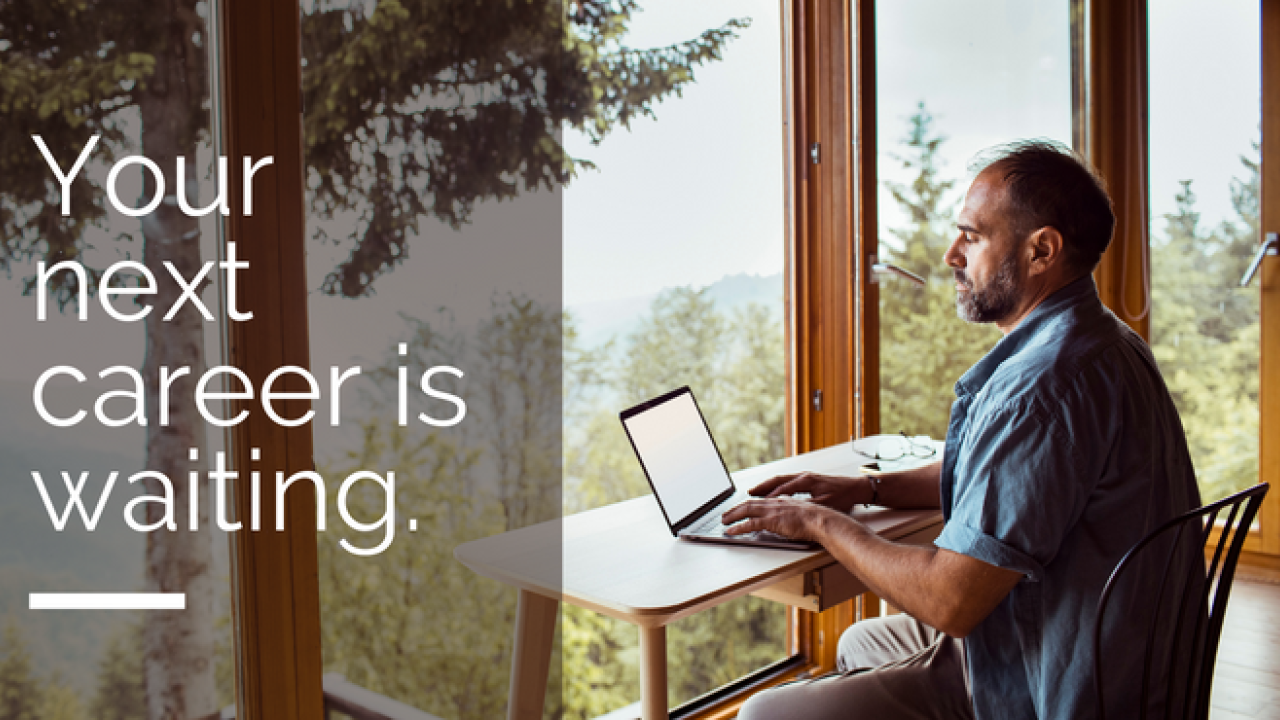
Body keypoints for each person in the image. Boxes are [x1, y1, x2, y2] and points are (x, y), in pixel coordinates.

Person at [726, 140, 1201, 720]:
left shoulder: (1041, 387)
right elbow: (1005, 477)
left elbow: (948, 602)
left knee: (760, 715)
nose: (952, 254)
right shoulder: (1109, 343)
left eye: (972, 236)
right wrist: (866, 489)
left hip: (1057, 684)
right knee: (859, 641)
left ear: (1041, 251)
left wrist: (818, 521)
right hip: (1127, 655)